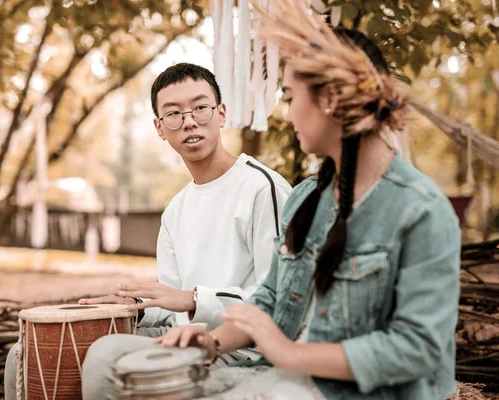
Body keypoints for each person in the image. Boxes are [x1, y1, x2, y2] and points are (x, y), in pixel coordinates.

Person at [80, 4, 461, 400]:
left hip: (354, 390)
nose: (289, 112)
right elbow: (271, 298)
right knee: (109, 365)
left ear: (329, 99)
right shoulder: (307, 198)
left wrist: (290, 354)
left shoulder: (421, 210)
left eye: (292, 96)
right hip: (293, 379)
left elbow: (420, 350)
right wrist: (210, 343)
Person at [2, 63, 291, 399]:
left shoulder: (261, 188)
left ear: (221, 113)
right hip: (180, 340)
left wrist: (195, 299)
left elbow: (278, 297)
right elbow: (172, 304)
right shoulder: (175, 211)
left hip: (238, 353)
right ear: (159, 128)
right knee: (19, 354)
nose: (189, 121)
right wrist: (135, 306)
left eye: (200, 107)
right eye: (174, 114)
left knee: (104, 359)